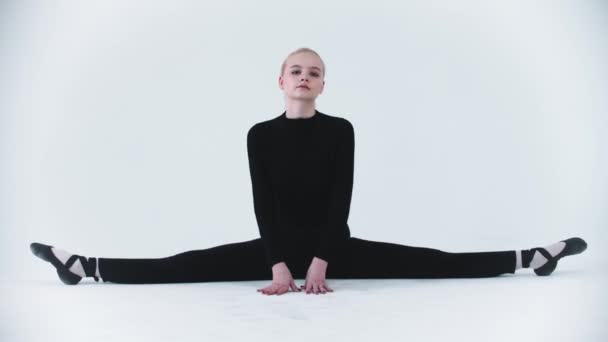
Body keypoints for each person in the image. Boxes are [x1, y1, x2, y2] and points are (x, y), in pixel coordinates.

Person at [30, 47, 588, 295]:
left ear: (323, 85)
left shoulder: (340, 129)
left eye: (314, 72)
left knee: (429, 262)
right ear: (280, 81)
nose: (304, 78)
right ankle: (83, 267)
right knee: (185, 266)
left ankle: (532, 258)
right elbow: (263, 204)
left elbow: (339, 201)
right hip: (274, 247)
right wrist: (277, 266)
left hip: (332, 247)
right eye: (295, 71)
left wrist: (321, 261)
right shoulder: (259, 134)